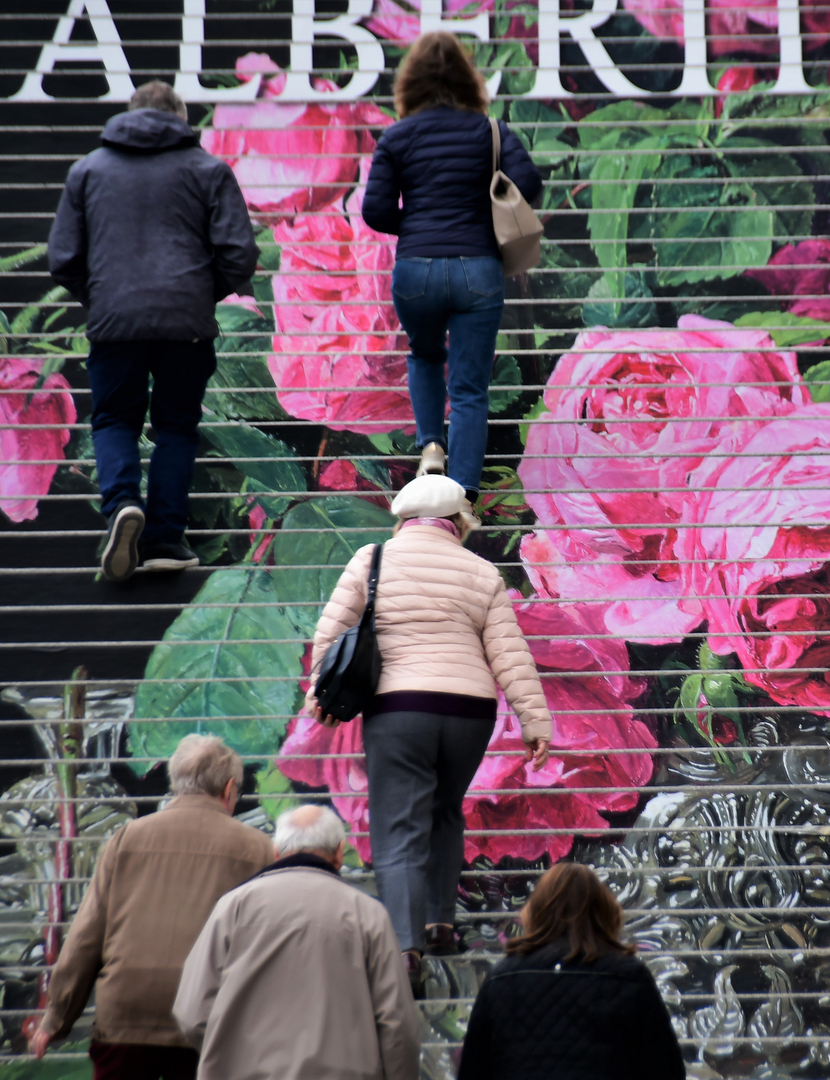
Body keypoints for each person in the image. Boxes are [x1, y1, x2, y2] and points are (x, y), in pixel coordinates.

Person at [306, 473, 552, 979]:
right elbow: (509, 654)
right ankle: (441, 922)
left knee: (399, 824)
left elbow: (330, 634)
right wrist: (533, 719)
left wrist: (318, 693)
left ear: (402, 519)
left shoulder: (372, 560)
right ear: (459, 523)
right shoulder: (481, 571)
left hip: (399, 709)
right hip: (468, 713)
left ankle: (404, 945)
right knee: (445, 811)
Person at [49, 79, 260, 582]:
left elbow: (63, 259)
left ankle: (122, 503)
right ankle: (165, 538)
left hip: (114, 321)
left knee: (115, 420)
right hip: (185, 325)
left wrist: (102, 297)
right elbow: (241, 253)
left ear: (130, 114)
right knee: (176, 427)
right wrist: (198, 294)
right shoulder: (209, 170)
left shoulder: (88, 170)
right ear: (181, 117)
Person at [361, 32, 542, 507]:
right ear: (469, 79)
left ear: (410, 84)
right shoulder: (492, 131)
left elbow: (375, 211)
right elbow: (530, 183)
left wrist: (417, 225)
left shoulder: (396, 137)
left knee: (424, 355)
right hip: (477, 269)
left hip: (416, 269)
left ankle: (431, 446)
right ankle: (461, 499)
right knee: (469, 389)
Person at [28, 735, 272, 1080]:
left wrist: (55, 1019)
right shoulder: (258, 849)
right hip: (207, 1020)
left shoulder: (127, 838)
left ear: (174, 783)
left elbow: (87, 934)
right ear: (230, 788)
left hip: (126, 1017)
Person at [173, 805, 419, 1080]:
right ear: (339, 852)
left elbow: (192, 1012)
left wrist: (230, 1051)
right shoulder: (369, 914)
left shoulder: (233, 907)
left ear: (276, 852)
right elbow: (397, 1025)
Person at [457, 862, 685, 1080]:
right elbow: (665, 1070)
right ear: (604, 911)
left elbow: (473, 1070)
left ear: (536, 910)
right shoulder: (629, 976)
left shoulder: (503, 977)